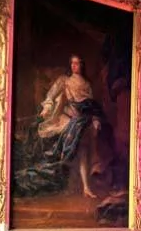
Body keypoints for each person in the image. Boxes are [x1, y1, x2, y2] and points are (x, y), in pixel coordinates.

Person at [14, 54, 111, 199]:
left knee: (84, 151)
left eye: (77, 63)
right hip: (67, 120)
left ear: (82, 65)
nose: (74, 66)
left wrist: (96, 119)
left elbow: (91, 106)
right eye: (72, 63)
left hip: (84, 121)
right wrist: (47, 108)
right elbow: (51, 96)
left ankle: (86, 187)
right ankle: (59, 181)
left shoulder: (86, 84)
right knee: (67, 150)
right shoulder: (65, 80)